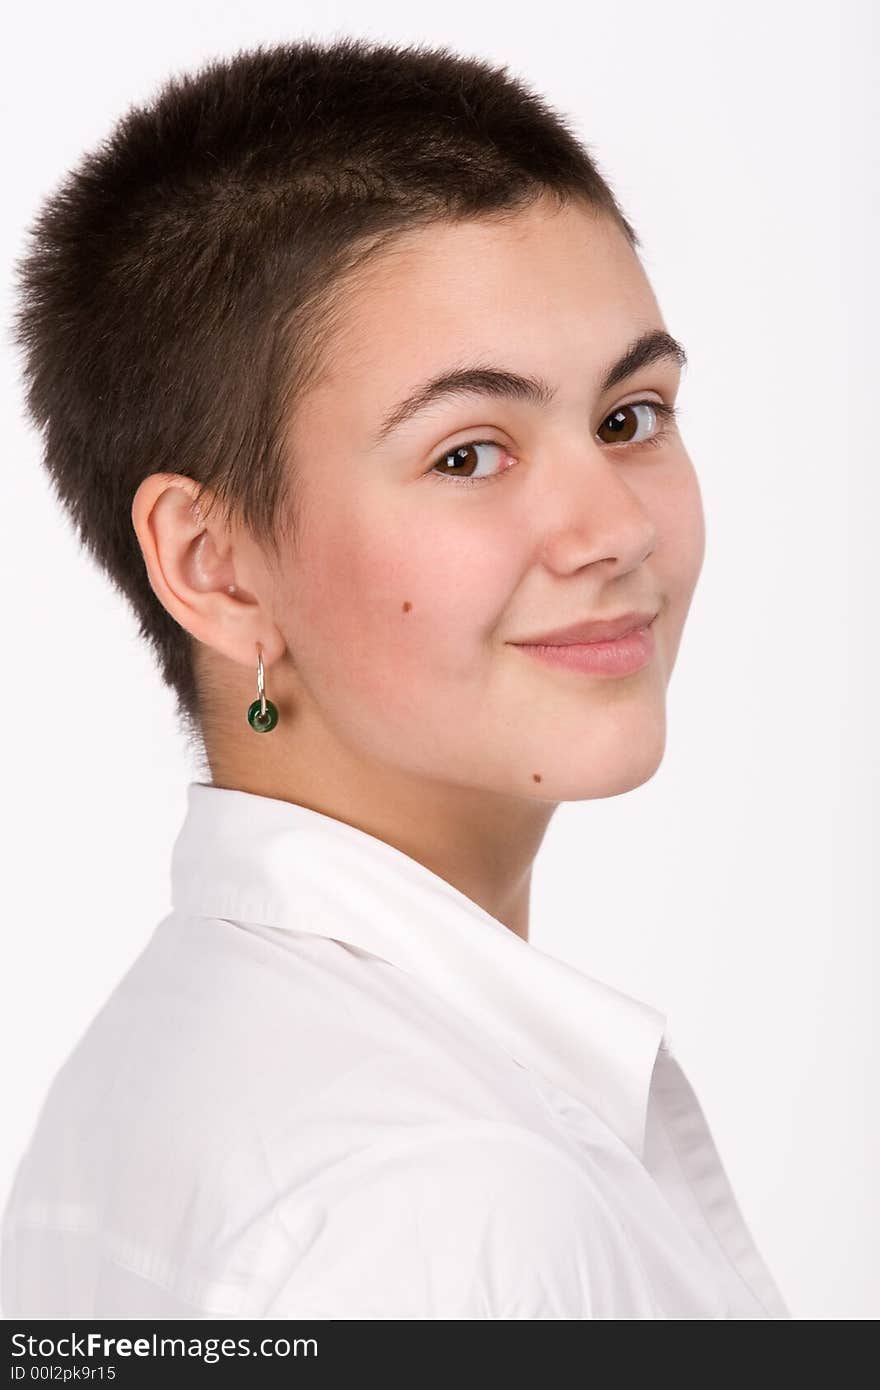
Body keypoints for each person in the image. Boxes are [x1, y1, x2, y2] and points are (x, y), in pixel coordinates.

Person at [0, 35, 790, 1320]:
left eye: (628, 417)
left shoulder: (156, 1062)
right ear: (216, 565)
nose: (615, 529)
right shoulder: (444, 1201)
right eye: (469, 454)